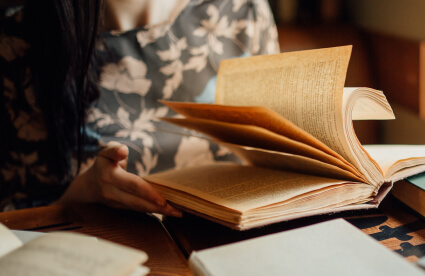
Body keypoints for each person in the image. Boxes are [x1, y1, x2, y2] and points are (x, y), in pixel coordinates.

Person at [0, 0, 279, 213]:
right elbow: (14, 219)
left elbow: (278, 149)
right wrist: (82, 195)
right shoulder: (18, 39)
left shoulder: (241, 11)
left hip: (232, 245)